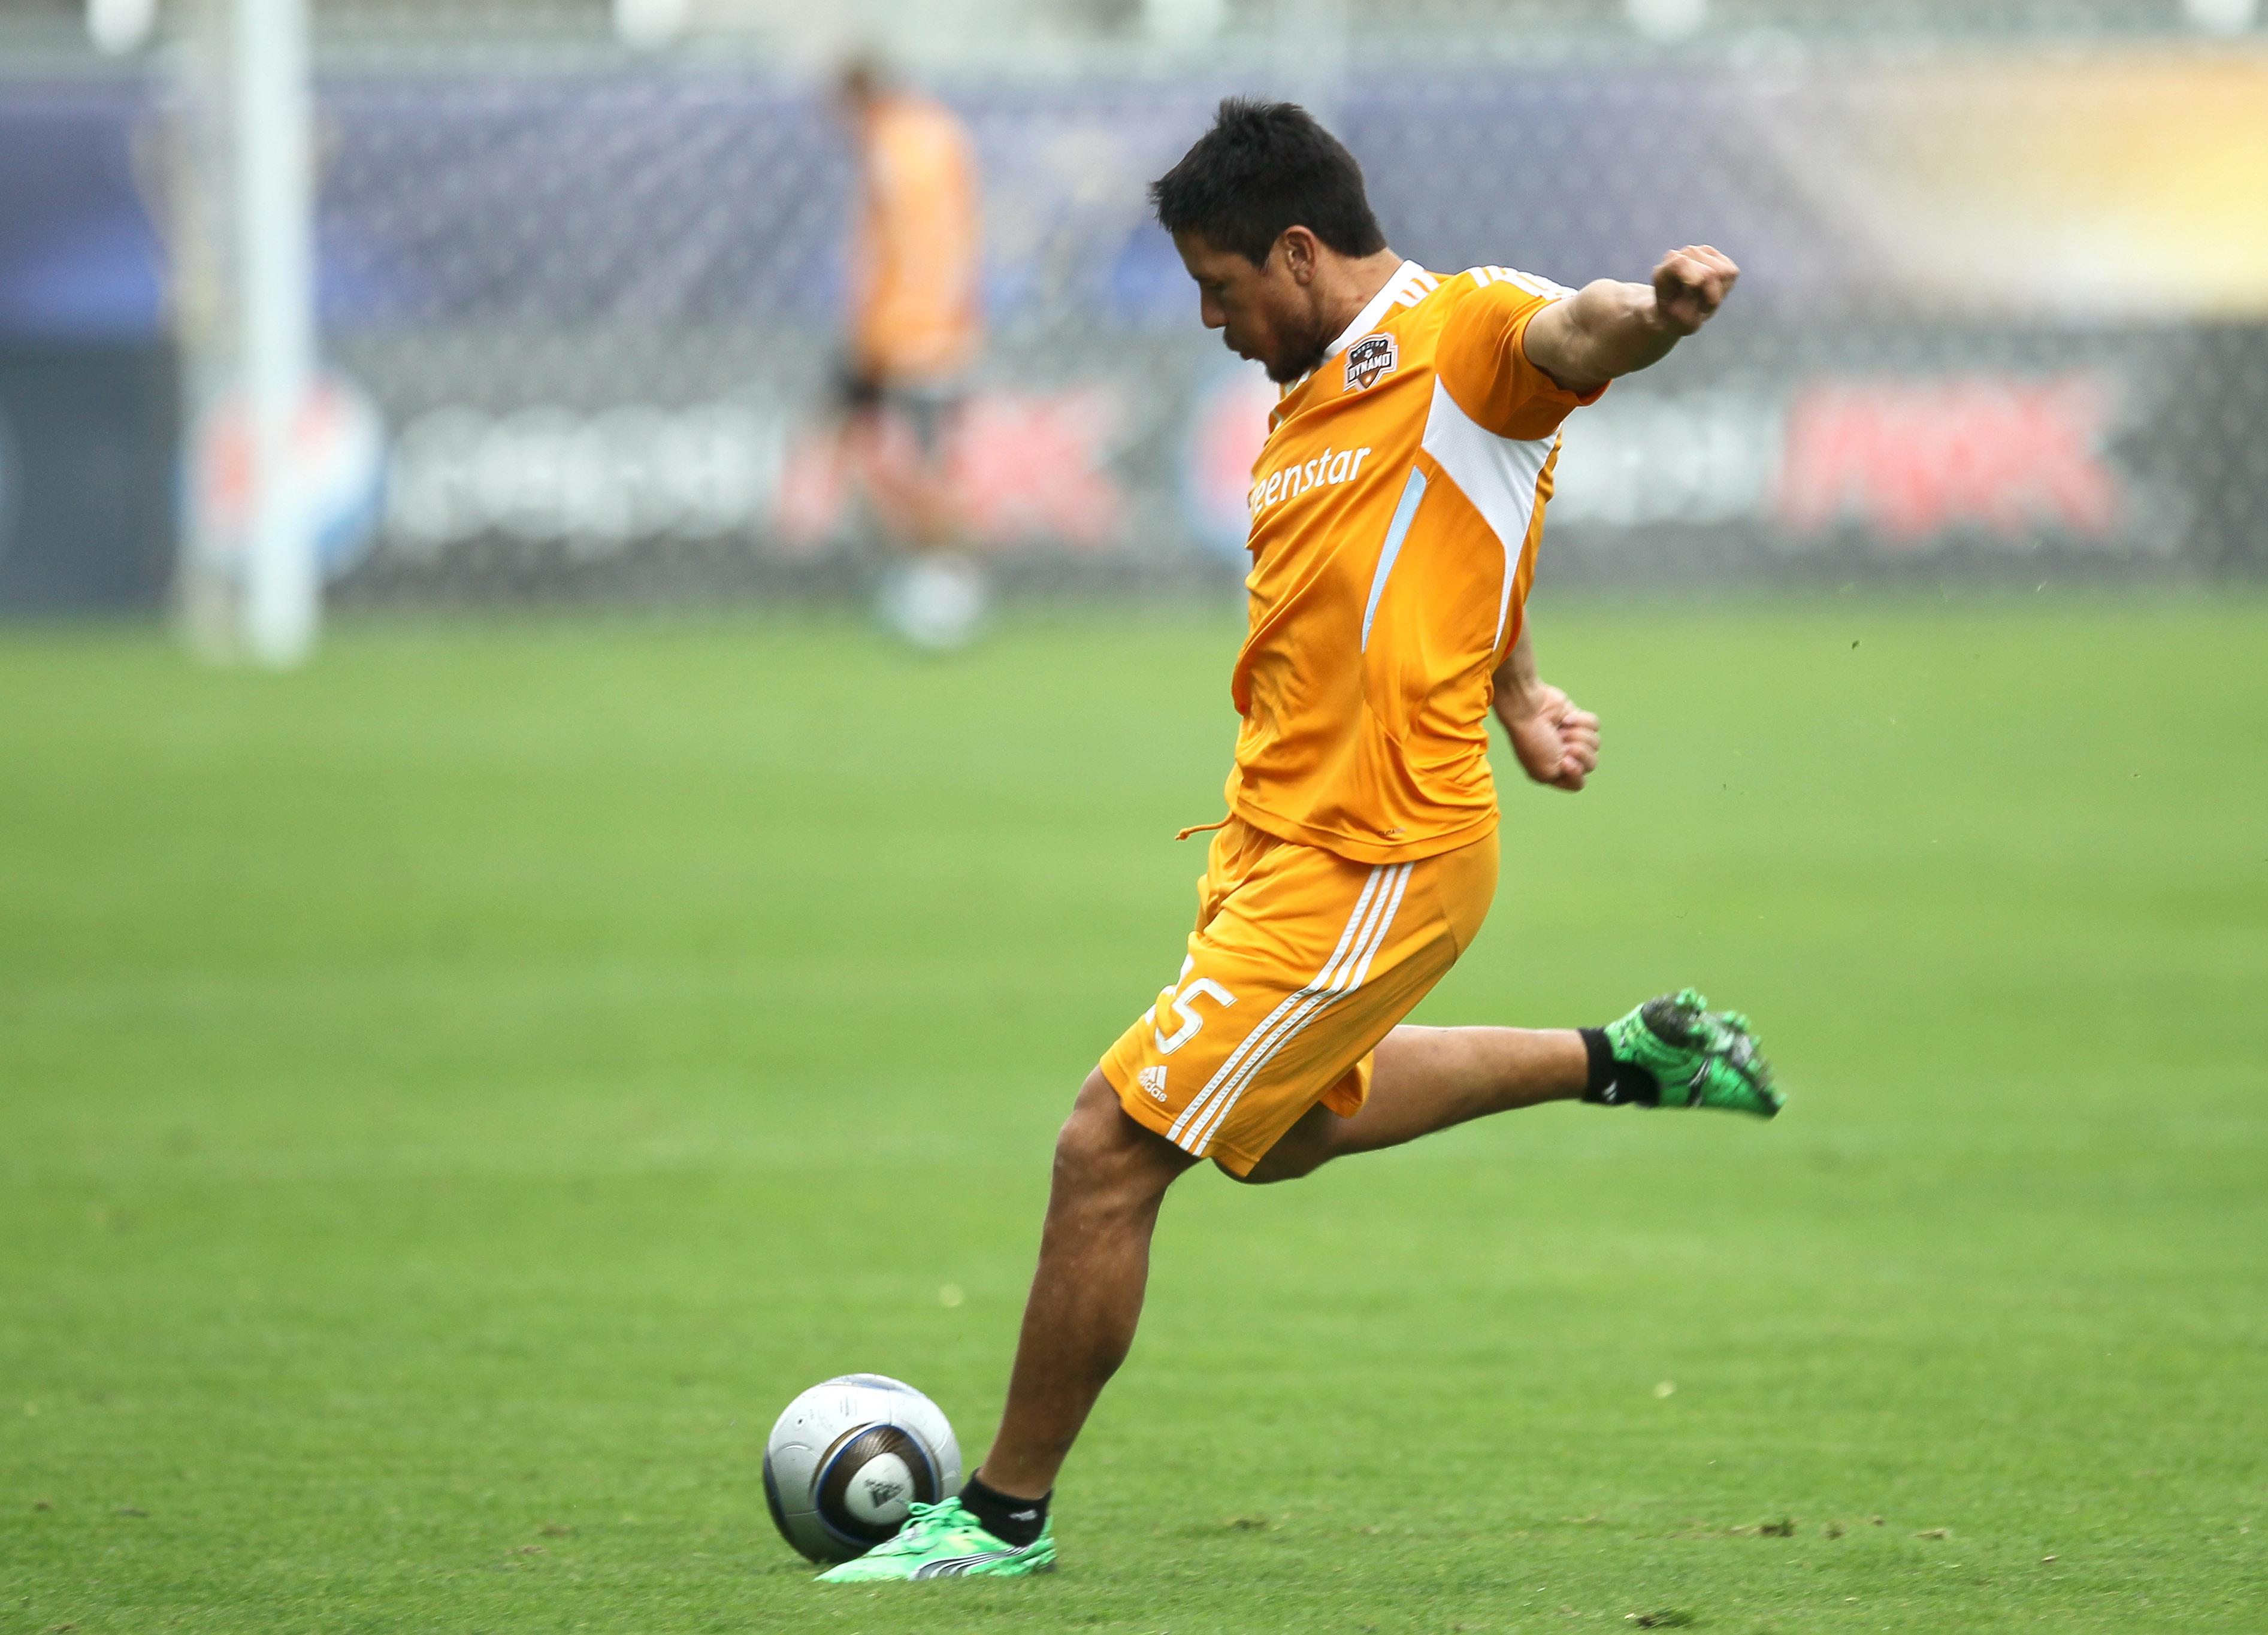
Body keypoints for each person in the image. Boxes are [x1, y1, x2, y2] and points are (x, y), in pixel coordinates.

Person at [819, 98, 1780, 1583]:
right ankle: (1623, 1057)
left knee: (1107, 1146)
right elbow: (1478, 527)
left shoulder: (1461, 332)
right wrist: (1516, 689)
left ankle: (996, 1520)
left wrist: (1653, 310)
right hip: (1275, 847)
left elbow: (1573, 339)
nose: (1211, 319)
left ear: (1295, 249)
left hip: (1380, 850)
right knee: (1281, 1139)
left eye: (1219, 288)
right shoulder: (1315, 392)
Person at [831, 59, 987, 649]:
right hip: (937, 330)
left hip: (910, 337)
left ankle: (949, 585)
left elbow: (904, 251)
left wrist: (877, 332)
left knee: (906, 471)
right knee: (920, 469)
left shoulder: (893, 147)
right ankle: (944, 583)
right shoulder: (936, 133)